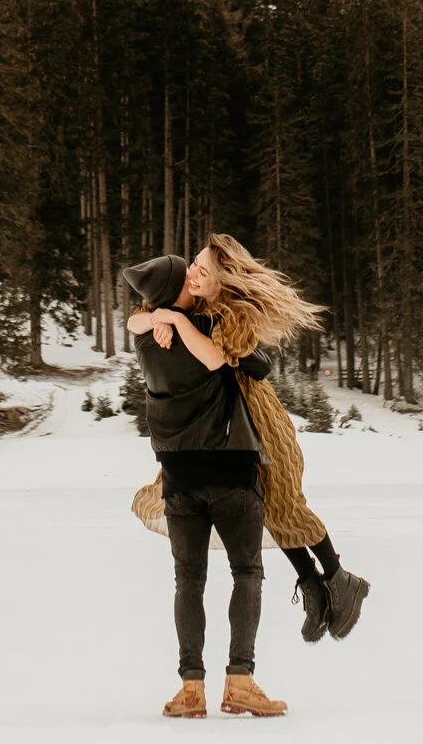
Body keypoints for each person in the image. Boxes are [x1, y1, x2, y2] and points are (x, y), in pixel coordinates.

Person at [125, 250, 286, 719]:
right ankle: (240, 680)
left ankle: (190, 688)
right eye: (187, 276)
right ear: (175, 291)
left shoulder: (147, 337)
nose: (194, 279)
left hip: (179, 478)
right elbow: (231, 362)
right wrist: (173, 317)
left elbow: (136, 323)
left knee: (188, 581)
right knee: (247, 573)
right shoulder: (208, 330)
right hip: (230, 469)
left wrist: (162, 316)